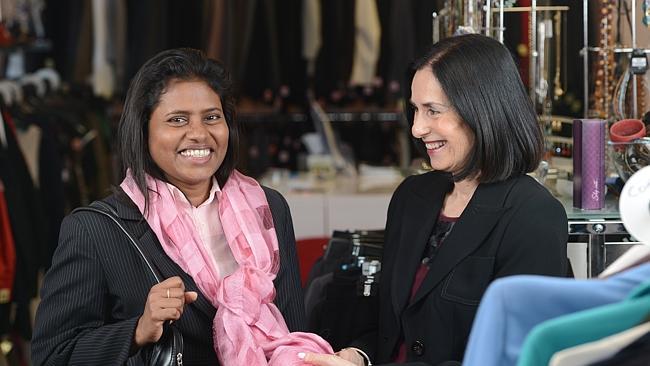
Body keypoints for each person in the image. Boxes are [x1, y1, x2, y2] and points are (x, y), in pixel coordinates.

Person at [31, 48, 332, 365]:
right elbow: (53, 355)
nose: (199, 134)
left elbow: (292, 334)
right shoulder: (95, 230)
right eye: (177, 120)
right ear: (143, 130)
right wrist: (138, 330)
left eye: (212, 117)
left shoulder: (268, 207)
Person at [302, 33, 569, 366]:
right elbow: (386, 326)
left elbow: (519, 354)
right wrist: (359, 356)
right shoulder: (412, 197)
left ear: (481, 111)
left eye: (433, 111)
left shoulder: (533, 216)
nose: (416, 128)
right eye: (415, 110)